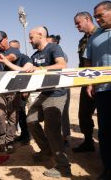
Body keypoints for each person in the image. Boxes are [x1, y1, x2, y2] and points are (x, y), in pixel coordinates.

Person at [26, 26, 71, 178]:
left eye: (31, 37)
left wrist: (41, 69)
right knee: (31, 120)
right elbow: (28, 69)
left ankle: (63, 167)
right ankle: (46, 151)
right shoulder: (35, 55)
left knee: (51, 130)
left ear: (40, 35)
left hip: (57, 93)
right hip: (44, 94)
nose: (29, 40)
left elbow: (62, 65)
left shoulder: (54, 48)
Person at [83, 0, 111, 180]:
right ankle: (109, 168)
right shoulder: (94, 38)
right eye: (95, 16)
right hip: (103, 91)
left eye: (99, 15)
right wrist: (90, 83)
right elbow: (88, 60)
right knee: (105, 131)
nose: (96, 19)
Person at [0, 31, 33, 153]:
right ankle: (1, 140)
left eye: (0, 41)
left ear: (6, 39)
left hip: (13, 91)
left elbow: (12, 57)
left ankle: (9, 141)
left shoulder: (13, 51)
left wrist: (0, 59)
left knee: (13, 117)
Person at [73, 11, 97, 153]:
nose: (76, 26)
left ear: (87, 19)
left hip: (103, 81)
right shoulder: (82, 40)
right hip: (86, 81)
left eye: (78, 23)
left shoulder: (101, 34)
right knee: (84, 115)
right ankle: (88, 142)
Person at [47, 34, 71, 147]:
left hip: (62, 87)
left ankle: (64, 137)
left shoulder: (61, 55)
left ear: (55, 43)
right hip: (51, 87)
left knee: (63, 113)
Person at [8, 40, 31, 145]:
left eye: (13, 48)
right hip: (11, 91)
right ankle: (21, 135)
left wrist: (25, 90)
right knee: (14, 114)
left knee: (21, 114)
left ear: (17, 48)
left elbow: (27, 74)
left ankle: (26, 136)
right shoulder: (8, 59)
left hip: (22, 91)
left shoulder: (24, 58)